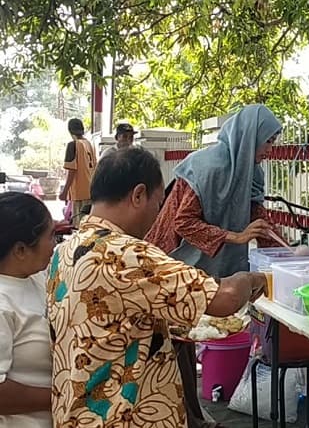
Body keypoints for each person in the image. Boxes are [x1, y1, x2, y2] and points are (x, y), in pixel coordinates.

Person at [47, 148, 268, 426]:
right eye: (159, 204)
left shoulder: (65, 251)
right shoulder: (125, 254)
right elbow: (225, 298)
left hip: (78, 412)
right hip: (123, 417)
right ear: (138, 195)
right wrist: (254, 278)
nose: (158, 215)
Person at [146, 104, 283, 428]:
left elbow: (257, 220)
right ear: (251, 137)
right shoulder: (207, 165)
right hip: (172, 257)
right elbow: (184, 222)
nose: (270, 150)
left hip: (201, 263)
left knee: (182, 343)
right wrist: (234, 237)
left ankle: (193, 416)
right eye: (268, 141)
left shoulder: (252, 171)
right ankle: (188, 416)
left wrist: (285, 251)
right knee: (173, 343)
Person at [0, 192, 55, 428]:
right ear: (21, 250)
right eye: (51, 236)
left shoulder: (37, 278)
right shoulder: (3, 304)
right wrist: (64, 397)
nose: (56, 245)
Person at [59, 118, 96, 226]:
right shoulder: (89, 144)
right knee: (88, 225)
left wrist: (65, 192)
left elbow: (72, 171)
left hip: (80, 193)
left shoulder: (73, 145)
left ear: (70, 130)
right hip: (91, 191)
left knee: (79, 225)